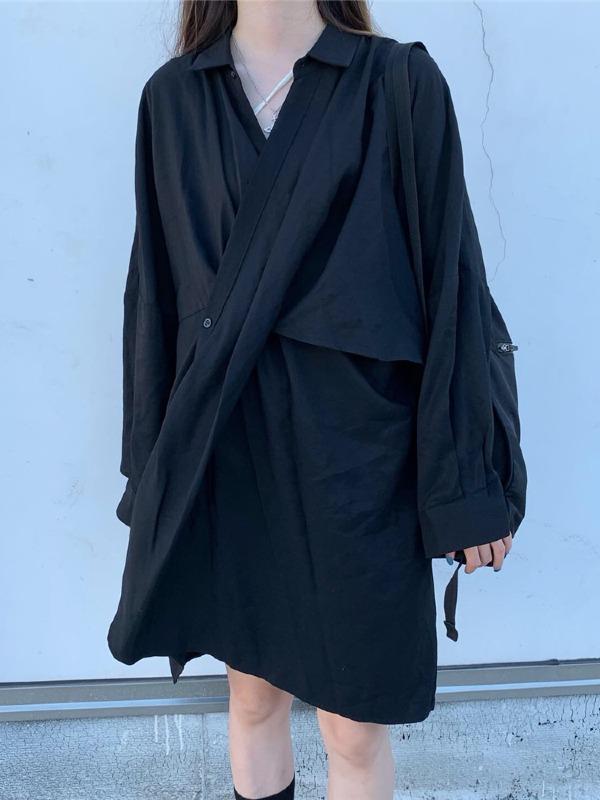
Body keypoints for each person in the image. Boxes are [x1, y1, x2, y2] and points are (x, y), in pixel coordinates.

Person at [107, 2, 527, 798]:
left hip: (361, 459)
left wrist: (469, 486)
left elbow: (452, 286)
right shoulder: (175, 96)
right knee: (251, 695)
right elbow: (155, 294)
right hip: (225, 444)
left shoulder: (398, 82)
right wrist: (151, 469)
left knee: (354, 723)